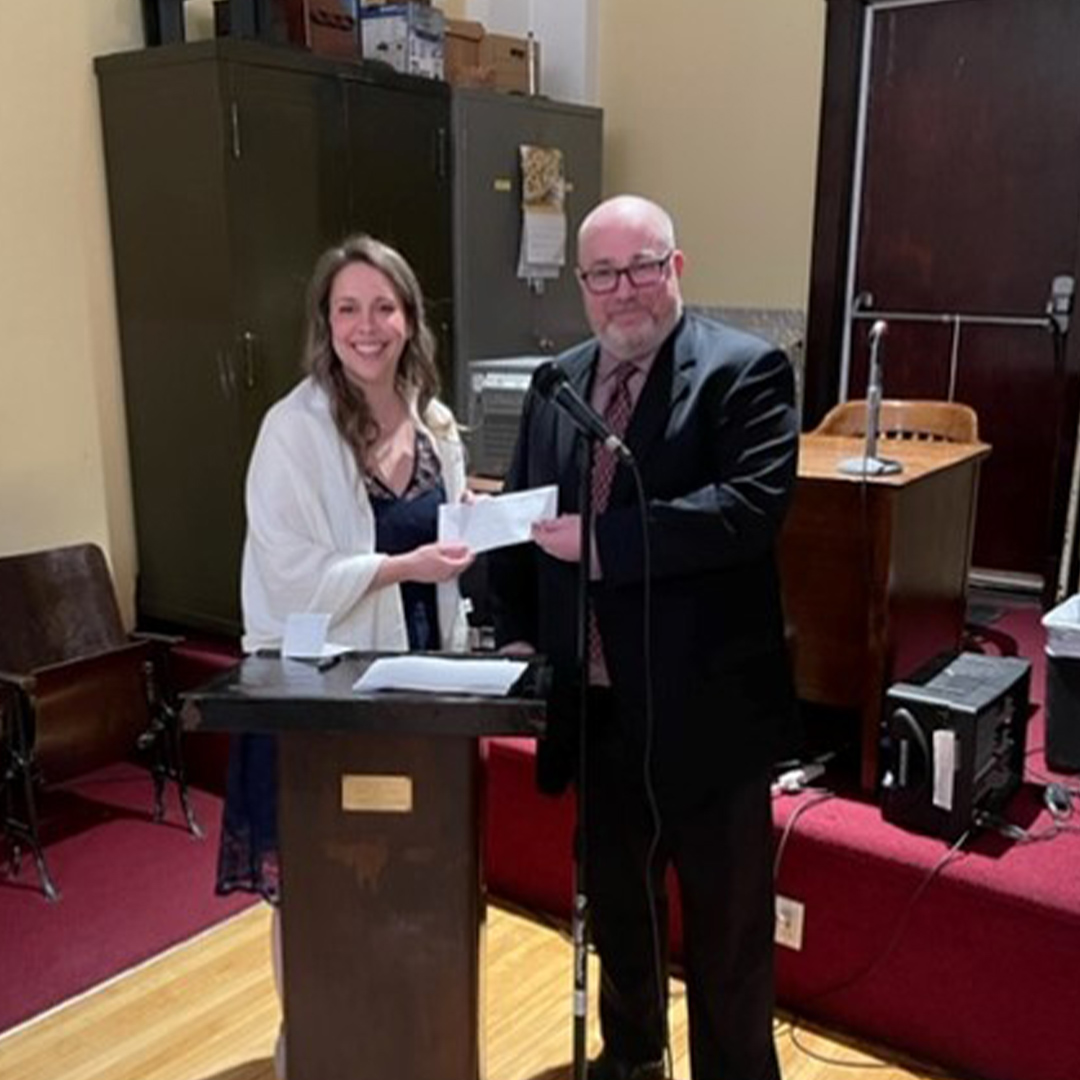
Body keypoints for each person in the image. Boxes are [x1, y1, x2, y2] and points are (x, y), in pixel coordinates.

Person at [490, 195, 800, 1080]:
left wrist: (603, 547)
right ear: (581, 285)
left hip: (708, 714)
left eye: (642, 267)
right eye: (603, 274)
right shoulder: (560, 382)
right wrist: (514, 628)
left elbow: (747, 514)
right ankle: (631, 1059)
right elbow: (527, 516)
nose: (623, 290)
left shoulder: (745, 372)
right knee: (620, 915)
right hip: (599, 712)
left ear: (677, 267)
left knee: (727, 934)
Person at [214, 234, 475, 1078]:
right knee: (326, 891)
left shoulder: (434, 422)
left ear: (410, 319)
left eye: (384, 307)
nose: (368, 326)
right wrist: (401, 566)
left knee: (423, 880)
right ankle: (324, 1052)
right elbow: (288, 578)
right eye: (348, 308)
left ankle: (415, 1048)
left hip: (420, 692)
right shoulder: (290, 431)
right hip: (322, 699)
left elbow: (454, 537)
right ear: (324, 323)